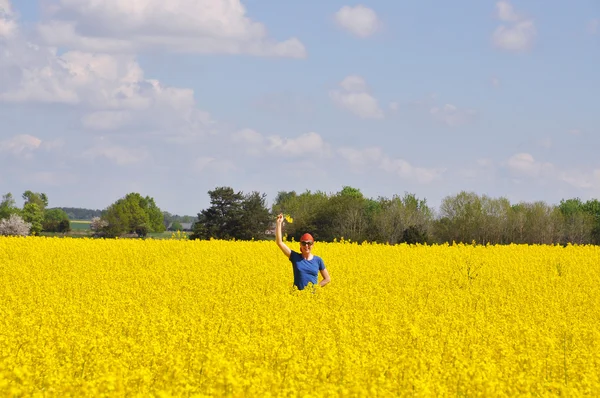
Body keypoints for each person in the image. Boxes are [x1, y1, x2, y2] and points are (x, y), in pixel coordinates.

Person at [275, 213, 331, 290]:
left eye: (309, 243)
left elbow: (327, 279)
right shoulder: (295, 257)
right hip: (296, 296)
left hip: (312, 297)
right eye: (304, 243)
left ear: (313, 245)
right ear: (300, 245)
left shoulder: (318, 260)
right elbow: (279, 243)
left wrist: (315, 288)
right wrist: (279, 223)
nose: (306, 246)